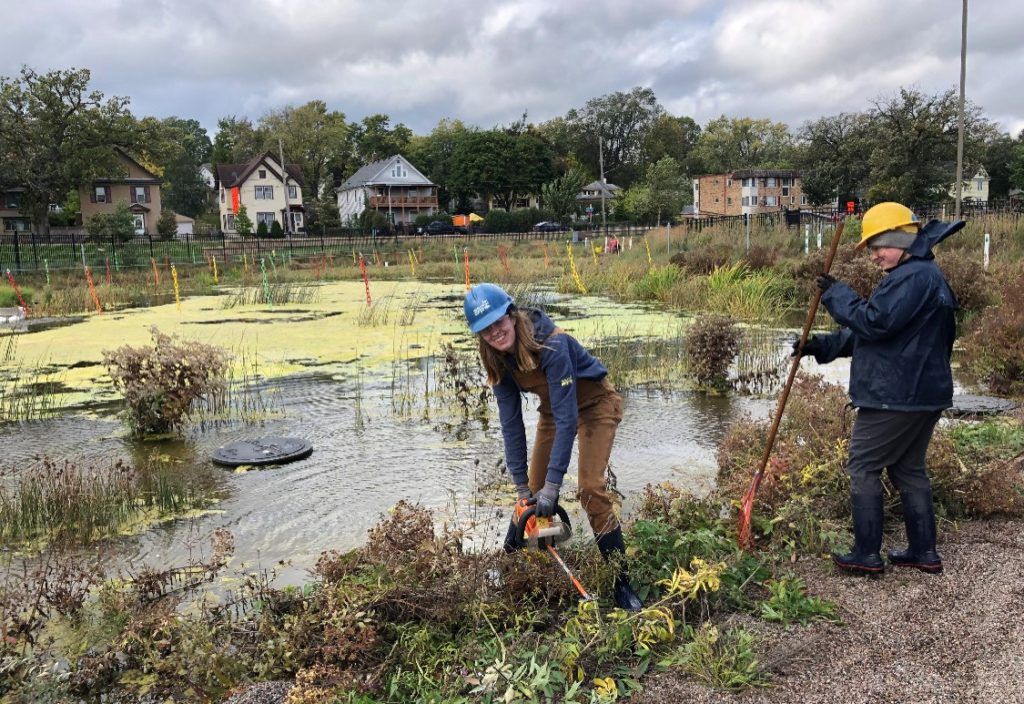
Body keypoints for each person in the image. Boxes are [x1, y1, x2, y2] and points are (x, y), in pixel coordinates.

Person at [793, 202, 963, 575]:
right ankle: (924, 552)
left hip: (896, 396)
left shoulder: (914, 277)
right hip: (921, 394)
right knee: (908, 470)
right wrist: (821, 346)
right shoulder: (920, 275)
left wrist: (836, 294)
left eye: (878, 247)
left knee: (864, 465)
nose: (874, 256)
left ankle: (866, 554)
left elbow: (875, 323)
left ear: (900, 239)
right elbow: (877, 336)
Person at [463, 283, 644, 611]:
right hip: (554, 408)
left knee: (589, 489)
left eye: (498, 323)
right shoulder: (497, 358)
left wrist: (554, 487)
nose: (494, 332)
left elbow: (567, 420)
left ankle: (622, 584)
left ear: (511, 314)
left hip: (596, 405)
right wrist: (522, 486)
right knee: (532, 494)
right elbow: (512, 426)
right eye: (484, 330)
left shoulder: (553, 344)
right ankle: (515, 567)